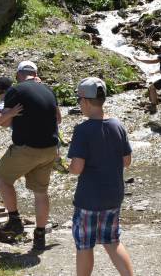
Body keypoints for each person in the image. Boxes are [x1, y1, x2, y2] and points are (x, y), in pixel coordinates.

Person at [68, 77, 134, 276]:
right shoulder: (117, 125)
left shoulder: (82, 130)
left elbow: (77, 168)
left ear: (86, 101)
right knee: (112, 241)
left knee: (85, 245)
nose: (79, 104)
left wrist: (67, 167)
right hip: (113, 195)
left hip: (88, 199)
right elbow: (127, 161)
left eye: (79, 100)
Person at [0, 60, 61, 251]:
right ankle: (39, 236)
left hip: (26, 149)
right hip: (49, 150)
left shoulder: (16, 91)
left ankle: (14, 220)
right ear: (36, 73)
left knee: (2, 177)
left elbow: (2, 120)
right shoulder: (48, 90)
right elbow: (59, 119)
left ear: (18, 75)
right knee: (40, 192)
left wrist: (14, 114)